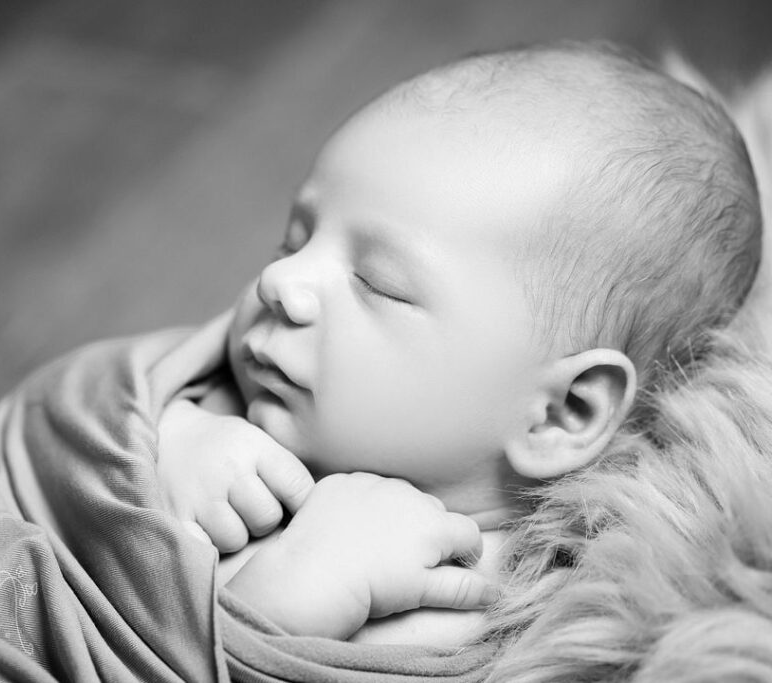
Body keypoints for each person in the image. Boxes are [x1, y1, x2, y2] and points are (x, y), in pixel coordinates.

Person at [154, 39, 762, 644]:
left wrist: (280, 609)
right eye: (294, 240)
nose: (279, 281)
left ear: (558, 412)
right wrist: (160, 440)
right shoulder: (222, 389)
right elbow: (67, 402)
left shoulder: (464, 612)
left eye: (378, 285)